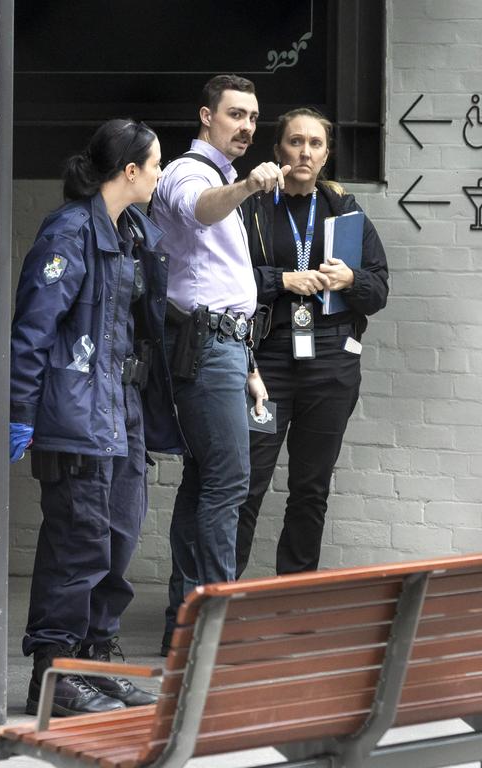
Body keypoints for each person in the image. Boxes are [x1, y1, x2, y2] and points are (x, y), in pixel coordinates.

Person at [9, 119, 180, 716]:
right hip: (75, 414)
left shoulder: (132, 232)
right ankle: (53, 678)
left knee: (119, 541)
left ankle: (92, 663)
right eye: (156, 164)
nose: (161, 176)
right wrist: (19, 412)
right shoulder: (69, 232)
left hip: (121, 414)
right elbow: (32, 330)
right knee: (77, 548)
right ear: (129, 171)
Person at [150, 74, 285, 654]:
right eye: (235, 114)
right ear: (207, 116)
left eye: (253, 117)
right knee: (228, 481)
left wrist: (251, 367)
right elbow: (199, 211)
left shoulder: (224, 179)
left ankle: (188, 621)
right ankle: (215, 625)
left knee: (207, 479)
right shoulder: (191, 173)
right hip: (207, 347)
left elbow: (223, 285)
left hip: (225, 346)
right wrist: (247, 188)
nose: (247, 126)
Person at [236, 107, 388, 577]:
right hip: (267, 364)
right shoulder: (252, 208)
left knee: (310, 488)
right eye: (295, 142)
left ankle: (295, 595)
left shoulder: (346, 211)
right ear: (278, 149)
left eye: (315, 144)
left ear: (327, 154)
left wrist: (351, 279)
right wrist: (282, 279)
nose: (305, 152)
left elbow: (379, 290)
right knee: (247, 483)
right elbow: (225, 282)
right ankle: (220, 598)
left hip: (330, 364)